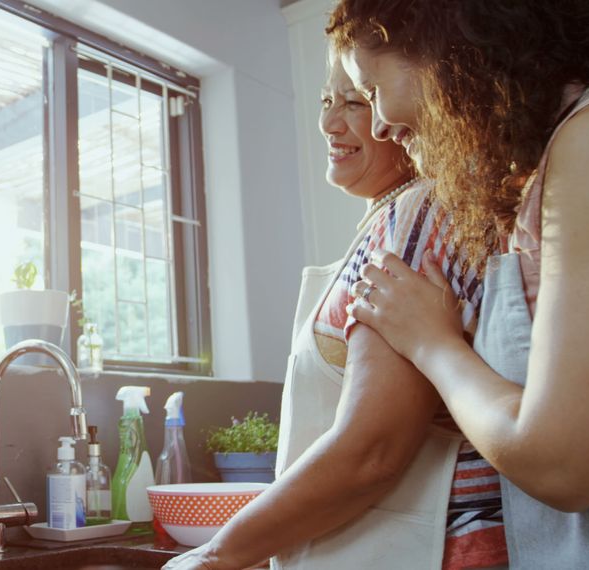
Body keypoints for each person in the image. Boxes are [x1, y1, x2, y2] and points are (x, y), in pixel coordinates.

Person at [165, 46, 503, 570]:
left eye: (357, 100)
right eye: (327, 100)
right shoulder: (389, 222)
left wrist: (216, 555)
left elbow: (371, 454)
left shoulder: (414, 217)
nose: (327, 121)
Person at [332, 0, 589, 567]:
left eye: (371, 87)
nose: (379, 123)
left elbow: (564, 465)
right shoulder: (557, 159)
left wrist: (433, 345)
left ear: (446, 51)